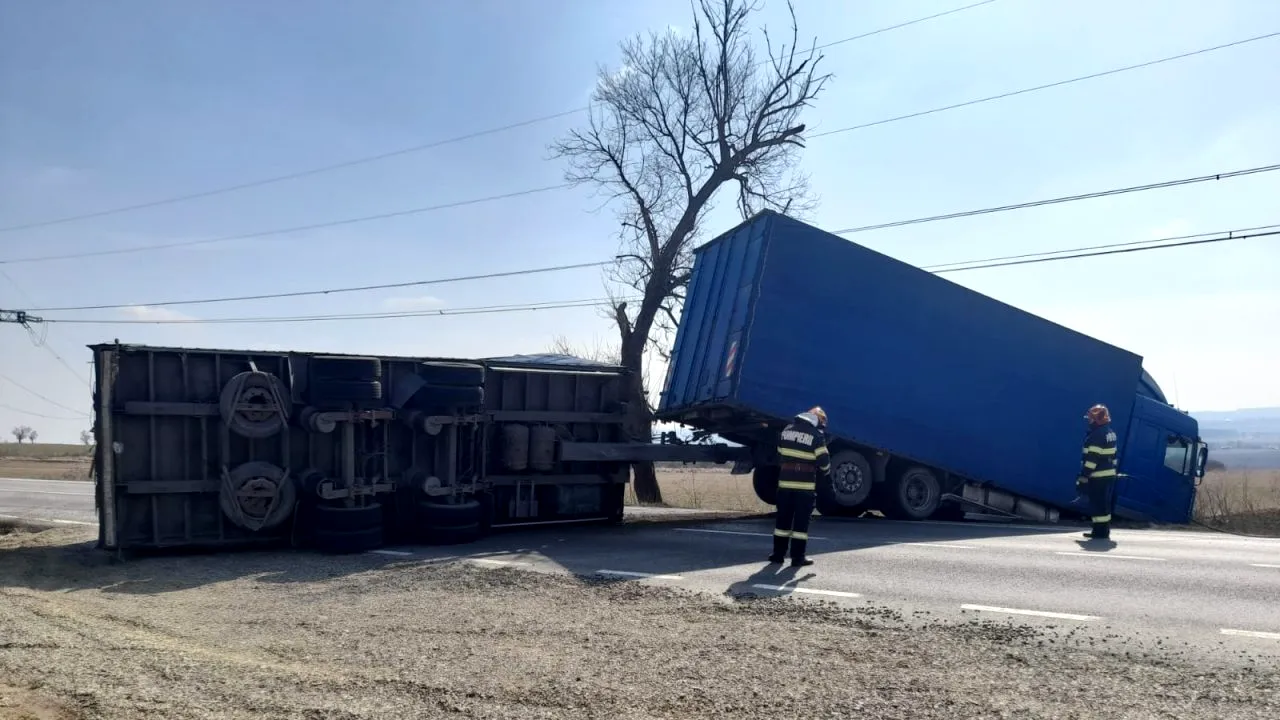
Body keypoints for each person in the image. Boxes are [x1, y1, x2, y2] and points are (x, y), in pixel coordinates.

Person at [770, 406, 831, 567]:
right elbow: (824, 463)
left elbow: (780, 453)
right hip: (804, 488)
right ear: (817, 421)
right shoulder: (816, 436)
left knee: (782, 522)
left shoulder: (787, 430)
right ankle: (798, 558)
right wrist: (825, 474)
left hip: (784, 485)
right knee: (800, 525)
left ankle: (778, 555)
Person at [1077, 403, 1119, 541]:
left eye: (1091, 418)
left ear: (1097, 419)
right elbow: (1112, 456)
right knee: (1103, 505)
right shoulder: (1109, 432)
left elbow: (1092, 459)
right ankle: (1101, 530)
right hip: (1107, 475)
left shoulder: (1097, 435)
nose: (1089, 421)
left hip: (1098, 476)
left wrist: (1084, 475)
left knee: (1098, 505)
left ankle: (1099, 532)